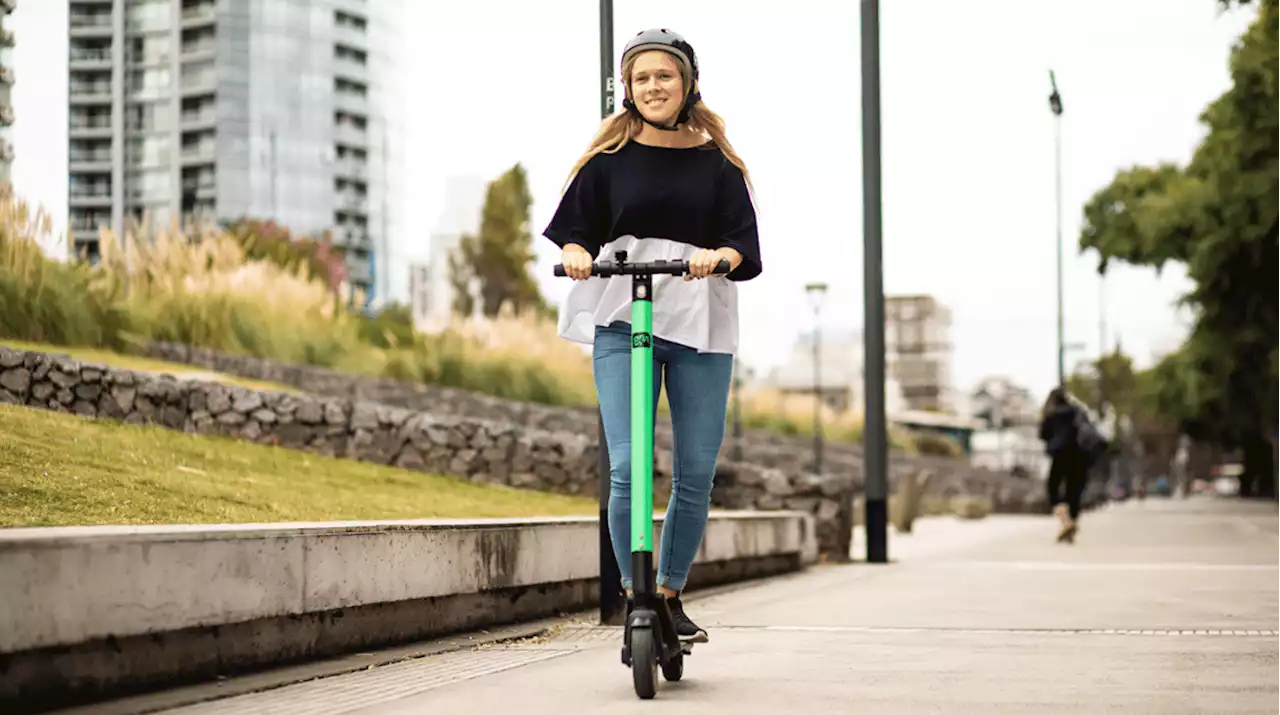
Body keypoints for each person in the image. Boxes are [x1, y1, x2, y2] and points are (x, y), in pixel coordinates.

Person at [543, 28, 762, 643]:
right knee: (627, 467)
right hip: (623, 317)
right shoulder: (607, 161)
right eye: (641, 79)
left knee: (695, 471)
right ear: (627, 89)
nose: (653, 87)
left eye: (664, 76)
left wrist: (717, 255)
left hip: (700, 324)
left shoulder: (718, 164)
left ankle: (669, 595)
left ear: (687, 83)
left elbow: (743, 246)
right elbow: (574, 230)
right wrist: (580, 253)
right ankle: (637, 592)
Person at [1038, 387, 1096, 543]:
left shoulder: (1050, 414)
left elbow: (1043, 435)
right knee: (1074, 491)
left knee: (1053, 488)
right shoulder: (1078, 411)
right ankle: (1072, 525)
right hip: (1080, 455)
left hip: (1060, 455)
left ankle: (1066, 521)